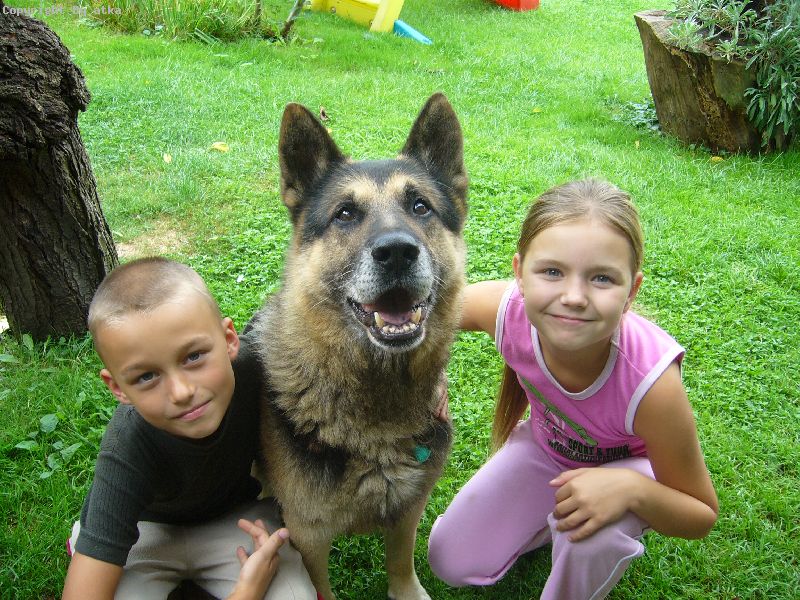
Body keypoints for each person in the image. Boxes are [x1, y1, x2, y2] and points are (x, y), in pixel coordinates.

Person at [428, 179, 718, 599]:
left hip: (630, 472)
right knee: (451, 559)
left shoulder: (652, 385)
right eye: (552, 272)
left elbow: (700, 514)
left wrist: (631, 491)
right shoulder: (506, 311)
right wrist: (432, 377)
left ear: (631, 291)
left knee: (592, 539)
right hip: (548, 452)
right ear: (519, 274)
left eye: (602, 278)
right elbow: (426, 318)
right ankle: (547, 524)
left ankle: (594, 538)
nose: (574, 296)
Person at [62, 257, 317, 600]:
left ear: (229, 340)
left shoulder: (260, 370)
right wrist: (246, 593)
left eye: (194, 356)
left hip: (235, 521)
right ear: (118, 388)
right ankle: (90, 542)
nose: (181, 392)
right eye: (147, 376)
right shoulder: (127, 448)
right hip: (145, 535)